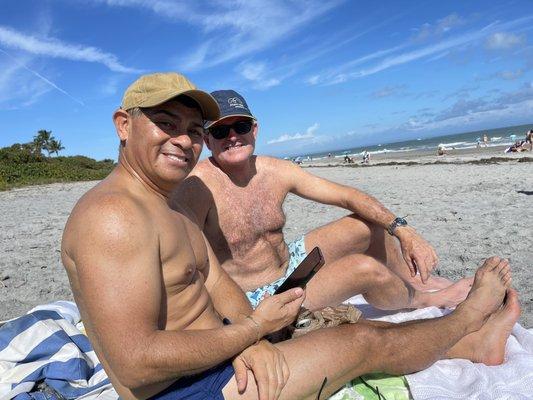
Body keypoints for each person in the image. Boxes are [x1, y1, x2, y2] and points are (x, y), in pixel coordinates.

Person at [62, 72, 519, 400]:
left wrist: (253, 339)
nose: (184, 140)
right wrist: (253, 330)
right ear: (124, 125)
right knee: (359, 343)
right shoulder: (114, 216)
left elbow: (217, 286)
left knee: (361, 324)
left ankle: (465, 338)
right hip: (188, 387)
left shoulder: (163, 203)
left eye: (194, 130)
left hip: (220, 351)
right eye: (166, 123)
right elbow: (135, 362)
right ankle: (467, 319)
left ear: (253, 129)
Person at [173, 90, 472, 312]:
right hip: (257, 295)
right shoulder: (198, 186)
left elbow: (347, 195)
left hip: (289, 260)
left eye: (240, 127)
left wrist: (404, 230)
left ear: (254, 130)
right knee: (364, 269)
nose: (233, 137)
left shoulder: (276, 170)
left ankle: (414, 282)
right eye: (221, 131)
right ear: (208, 140)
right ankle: (421, 300)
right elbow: (178, 258)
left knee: (368, 224)